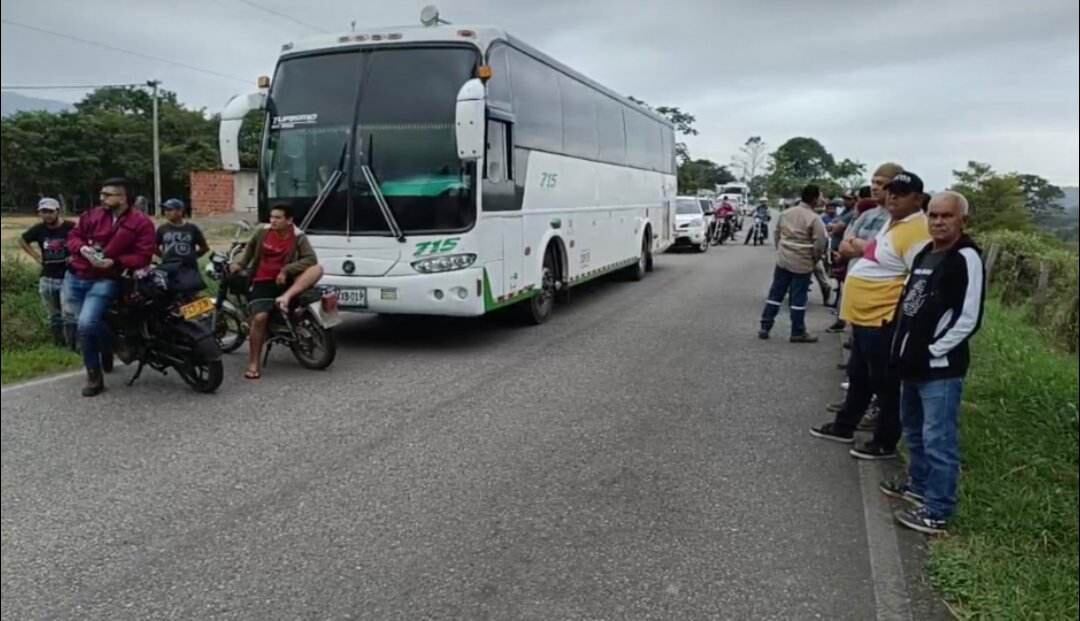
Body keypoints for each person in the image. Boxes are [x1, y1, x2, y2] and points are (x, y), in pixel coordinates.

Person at [882, 191, 984, 535]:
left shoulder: (965, 257)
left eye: (947, 216)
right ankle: (919, 486)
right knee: (913, 430)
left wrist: (934, 351)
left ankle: (938, 510)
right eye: (934, 216)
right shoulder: (927, 253)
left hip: (939, 370)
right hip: (910, 364)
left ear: (962, 221)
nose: (939, 222)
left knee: (939, 438)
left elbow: (969, 318)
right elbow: (912, 303)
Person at [811, 171, 932, 459]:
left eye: (900, 194)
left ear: (917, 199)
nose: (892, 197)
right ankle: (845, 426)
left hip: (884, 318)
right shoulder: (893, 223)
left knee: (885, 383)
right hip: (865, 316)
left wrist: (899, 318)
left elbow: (917, 280)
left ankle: (885, 442)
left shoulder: (918, 231)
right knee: (859, 375)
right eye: (890, 191)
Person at [65, 177, 157, 397]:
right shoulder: (92, 215)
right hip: (76, 277)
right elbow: (73, 237)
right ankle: (113, 344)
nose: (102, 198)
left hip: (105, 280)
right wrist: (83, 250)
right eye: (101, 194)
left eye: (108, 194)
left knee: (86, 326)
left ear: (123, 197)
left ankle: (94, 377)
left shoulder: (141, 222)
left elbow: (143, 256)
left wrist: (116, 262)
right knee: (82, 325)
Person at [230, 204, 324, 380]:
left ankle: (286, 297)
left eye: (278, 217)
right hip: (262, 281)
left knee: (317, 269)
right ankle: (253, 362)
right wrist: (240, 264)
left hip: (287, 282)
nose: (273, 221)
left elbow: (310, 259)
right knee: (259, 318)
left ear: (289, 220)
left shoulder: (298, 236)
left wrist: (287, 269)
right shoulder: (262, 233)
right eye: (272, 217)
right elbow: (249, 251)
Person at [758, 184, 828, 343]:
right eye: (821, 196)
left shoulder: (786, 213)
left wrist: (782, 251)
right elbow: (820, 244)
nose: (822, 199)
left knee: (775, 294)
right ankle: (797, 332)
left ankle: (765, 326)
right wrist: (814, 259)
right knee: (798, 298)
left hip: (783, 259)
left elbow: (776, 234)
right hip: (803, 263)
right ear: (815, 198)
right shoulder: (814, 218)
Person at [18, 198, 77, 347]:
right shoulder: (38, 229)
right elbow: (22, 240)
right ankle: (59, 344)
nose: (47, 215)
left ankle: (73, 345)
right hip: (47, 277)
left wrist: (75, 256)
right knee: (54, 315)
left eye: (50, 211)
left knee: (69, 314)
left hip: (68, 276)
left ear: (58, 211)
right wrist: (36, 256)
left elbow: (85, 241)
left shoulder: (70, 227)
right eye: (43, 212)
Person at [156, 198, 210, 293]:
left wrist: (192, 256)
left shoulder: (192, 228)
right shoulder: (162, 229)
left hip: (189, 269)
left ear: (180, 211)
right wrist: (163, 256)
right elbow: (153, 246)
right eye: (165, 210)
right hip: (169, 268)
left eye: (170, 210)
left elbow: (204, 247)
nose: (166, 212)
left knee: (191, 295)